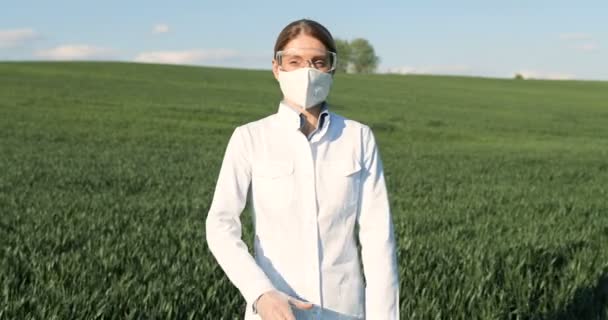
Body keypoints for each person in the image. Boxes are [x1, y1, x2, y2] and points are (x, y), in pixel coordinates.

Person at [205, 19, 399, 320]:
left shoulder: (357, 137)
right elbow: (220, 226)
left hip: (343, 312)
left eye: (318, 62)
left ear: (331, 69)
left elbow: (378, 240)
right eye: (294, 61)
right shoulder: (250, 138)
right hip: (274, 312)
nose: (306, 72)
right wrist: (260, 293)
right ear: (276, 68)